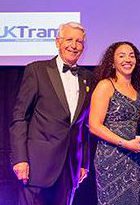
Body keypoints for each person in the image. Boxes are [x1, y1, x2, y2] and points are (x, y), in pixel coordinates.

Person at [9, 22, 91, 205]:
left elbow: (84, 125)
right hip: (36, 166)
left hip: (70, 168)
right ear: (58, 42)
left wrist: (84, 162)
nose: (74, 45)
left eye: (79, 41)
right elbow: (20, 117)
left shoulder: (88, 77)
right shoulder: (37, 70)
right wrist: (20, 159)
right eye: (69, 39)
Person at [89, 41, 140, 205]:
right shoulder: (106, 85)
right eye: (122, 55)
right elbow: (94, 125)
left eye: (132, 55)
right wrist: (125, 143)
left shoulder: (137, 90)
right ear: (112, 62)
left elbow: (136, 123)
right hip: (113, 158)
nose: (128, 59)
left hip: (137, 157)